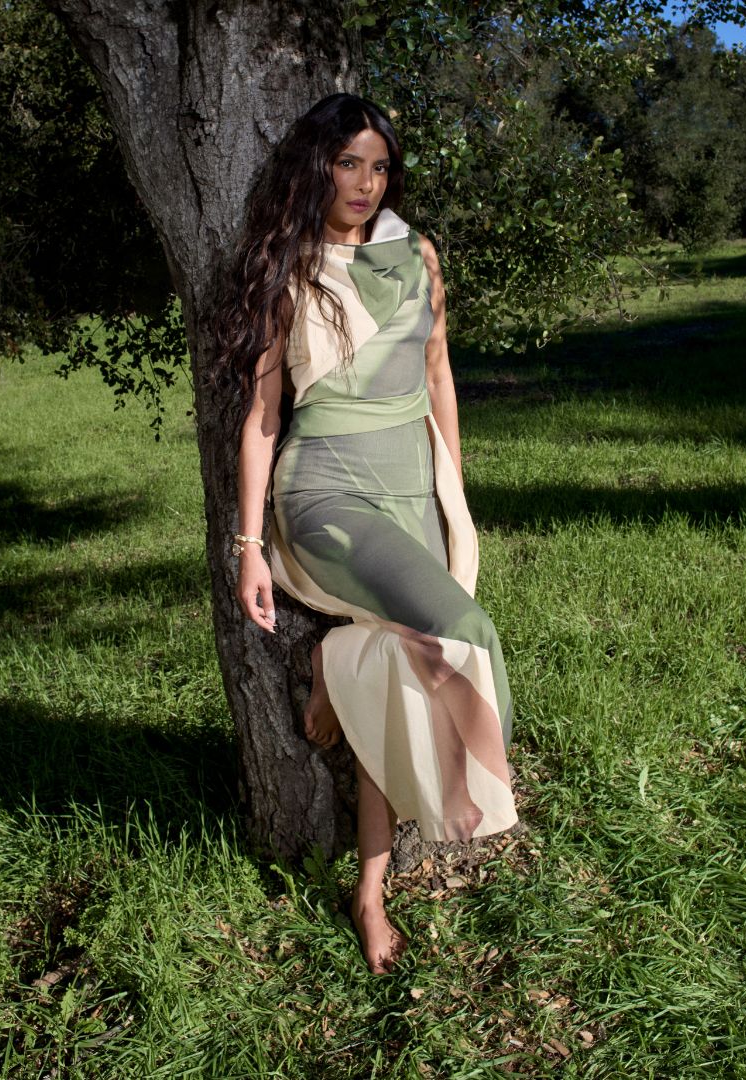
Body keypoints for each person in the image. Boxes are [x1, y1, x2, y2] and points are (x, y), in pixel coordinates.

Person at [220, 93, 517, 976]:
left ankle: (370, 889)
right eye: (347, 162)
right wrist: (248, 547)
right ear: (316, 168)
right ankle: (480, 809)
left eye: (379, 166)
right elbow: (262, 418)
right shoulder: (286, 264)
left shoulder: (416, 253)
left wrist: (453, 490)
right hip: (324, 491)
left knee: (398, 669)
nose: (364, 182)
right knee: (462, 629)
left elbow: (439, 376)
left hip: (411, 485)